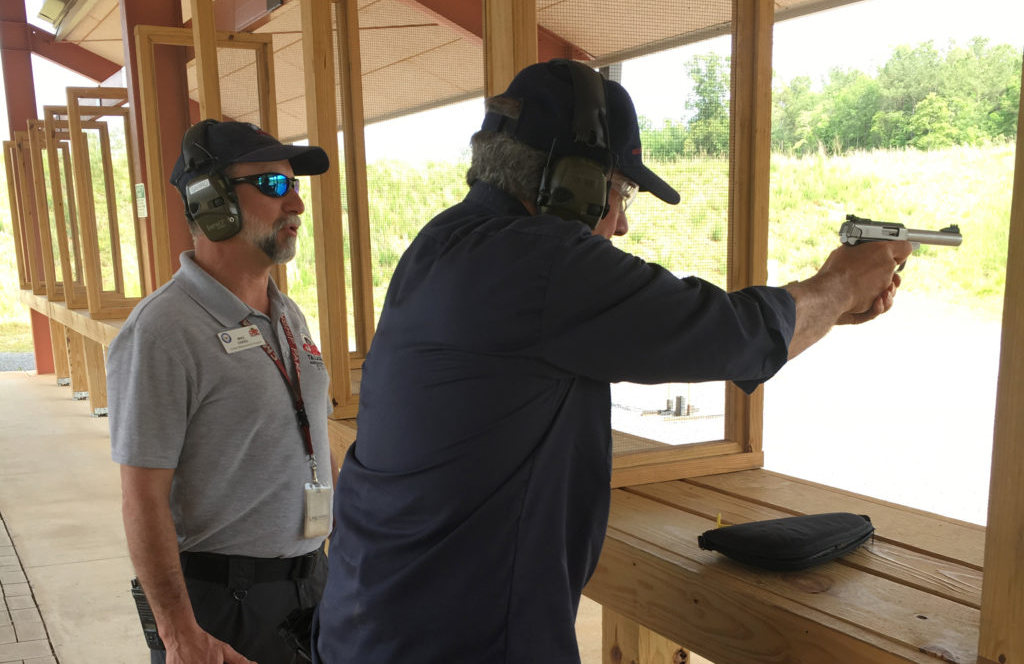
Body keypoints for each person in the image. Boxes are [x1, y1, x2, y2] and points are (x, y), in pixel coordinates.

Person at [312, 60, 912, 663]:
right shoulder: (538, 262)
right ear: (572, 183)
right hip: (458, 639)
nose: (621, 222)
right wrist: (839, 285)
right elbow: (734, 337)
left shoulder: (445, 241)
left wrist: (831, 305)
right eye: (619, 192)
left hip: (376, 617)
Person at [108, 120, 339, 664]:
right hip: (220, 600)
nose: (297, 206)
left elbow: (307, 434)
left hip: (311, 581)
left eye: (296, 187)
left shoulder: (287, 315)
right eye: (275, 186)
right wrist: (179, 633)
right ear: (211, 200)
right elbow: (141, 496)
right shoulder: (161, 331)